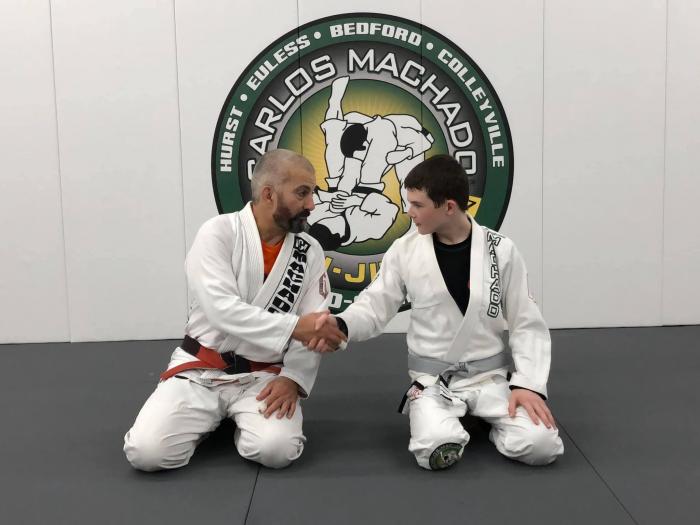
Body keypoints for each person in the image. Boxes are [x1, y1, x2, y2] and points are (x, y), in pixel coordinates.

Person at [310, 154, 564, 470]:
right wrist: (342, 324)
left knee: (542, 446)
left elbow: (526, 322)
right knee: (435, 452)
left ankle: (482, 421)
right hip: (433, 381)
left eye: (418, 204)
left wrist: (527, 385)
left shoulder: (500, 250)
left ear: (449, 207)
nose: (409, 212)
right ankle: (449, 419)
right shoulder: (405, 251)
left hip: (489, 379)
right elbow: (375, 304)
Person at [124, 149, 346, 471]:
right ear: (269, 194)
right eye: (302, 193)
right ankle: (209, 419)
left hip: (262, 377)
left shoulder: (308, 251)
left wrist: (293, 378)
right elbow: (222, 310)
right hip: (200, 372)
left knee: (277, 451)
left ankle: (234, 418)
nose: (312, 204)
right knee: (146, 454)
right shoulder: (219, 233)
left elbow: (316, 322)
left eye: (312, 193)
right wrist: (295, 327)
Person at [308, 76, 434, 250]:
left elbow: (313, 197)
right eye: (329, 221)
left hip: (338, 186)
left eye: (322, 220)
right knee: (382, 132)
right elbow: (389, 208)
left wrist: (327, 197)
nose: (326, 217)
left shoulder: (316, 221)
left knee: (333, 140)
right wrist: (354, 201)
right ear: (338, 233)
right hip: (368, 185)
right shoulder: (372, 229)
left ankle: (334, 103)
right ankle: (403, 143)